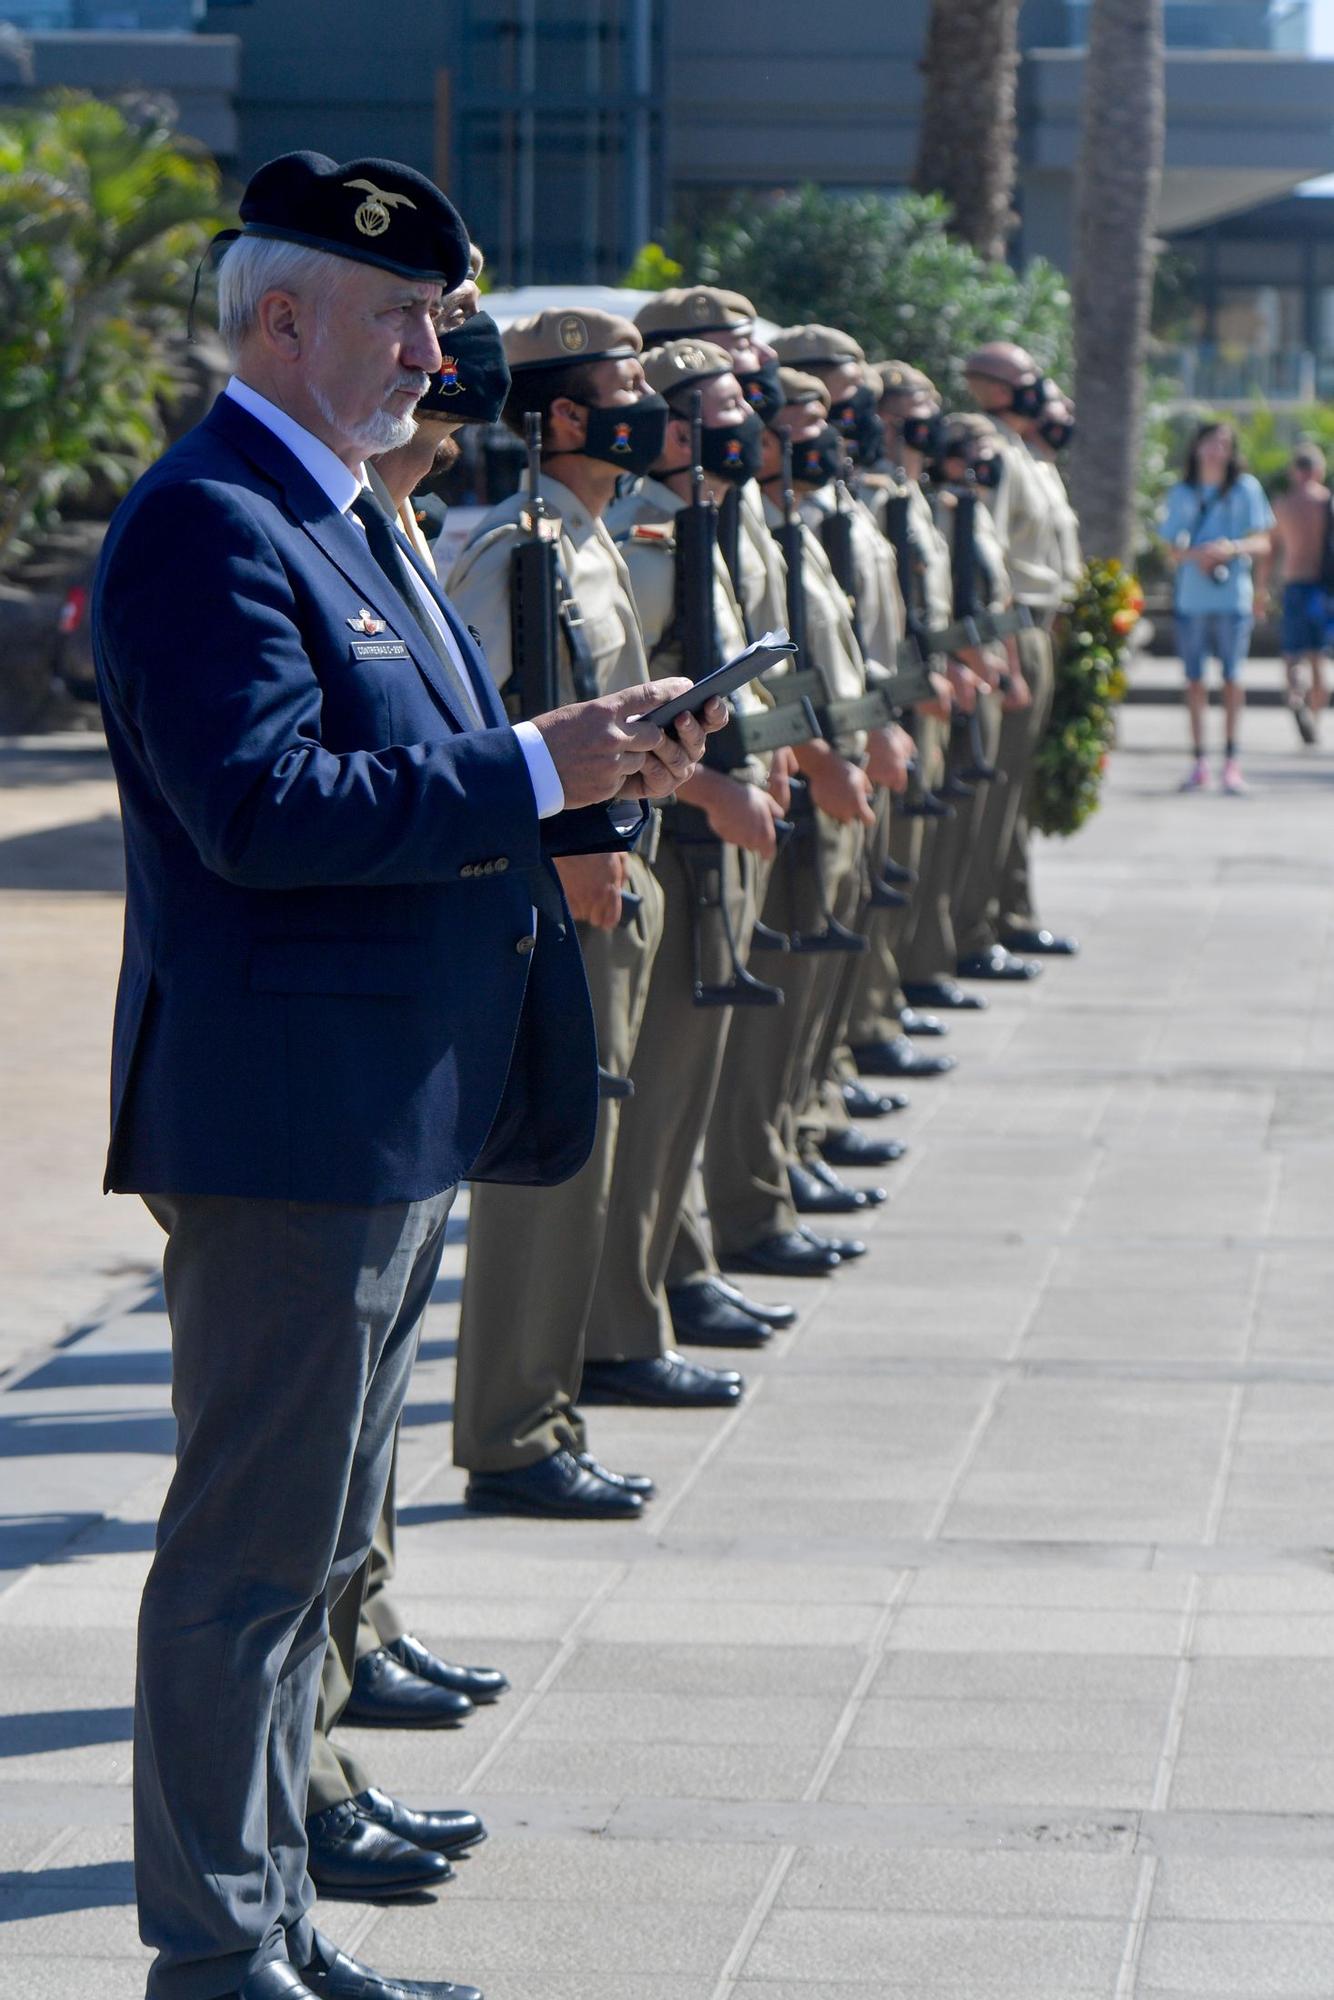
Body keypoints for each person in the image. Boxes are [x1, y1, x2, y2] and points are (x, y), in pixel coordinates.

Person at [94, 150, 718, 2000]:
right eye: (398, 313)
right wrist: (536, 776)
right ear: (279, 318)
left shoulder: (343, 510)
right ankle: (216, 1958)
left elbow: (429, 774)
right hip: (293, 1123)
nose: (431, 350)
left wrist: (582, 756)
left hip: (383, 1109)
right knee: (246, 1568)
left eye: (437, 315)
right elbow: (264, 813)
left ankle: (268, 1924)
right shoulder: (212, 522)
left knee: (301, 1566)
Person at [1158, 419, 1274, 794]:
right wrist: (1199, 555)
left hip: (1232, 600)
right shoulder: (1182, 491)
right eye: (1210, 442)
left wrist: (1231, 549)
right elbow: (1170, 550)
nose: (1216, 450)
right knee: (1194, 681)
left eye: (1224, 444)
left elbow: (1264, 543)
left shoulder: (1245, 489)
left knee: (1232, 678)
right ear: (1197, 448)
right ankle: (1198, 762)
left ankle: (1232, 762)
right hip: (1192, 600)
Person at [1271, 441, 1330, 744]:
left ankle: (1296, 694)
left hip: (1293, 582)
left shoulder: (1284, 505)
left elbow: (1270, 549)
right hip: (1321, 587)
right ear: (1319, 471)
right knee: (1319, 658)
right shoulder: (1327, 503)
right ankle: (1315, 720)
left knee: (1293, 657)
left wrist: (1260, 589)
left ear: (1295, 472)